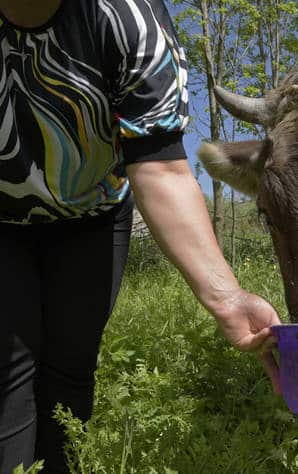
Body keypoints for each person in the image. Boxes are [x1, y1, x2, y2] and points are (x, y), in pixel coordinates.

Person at [0, 0, 281, 472]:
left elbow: (163, 170)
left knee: (70, 366)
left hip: (91, 213)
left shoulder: (129, 20)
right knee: (7, 374)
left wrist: (228, 297)